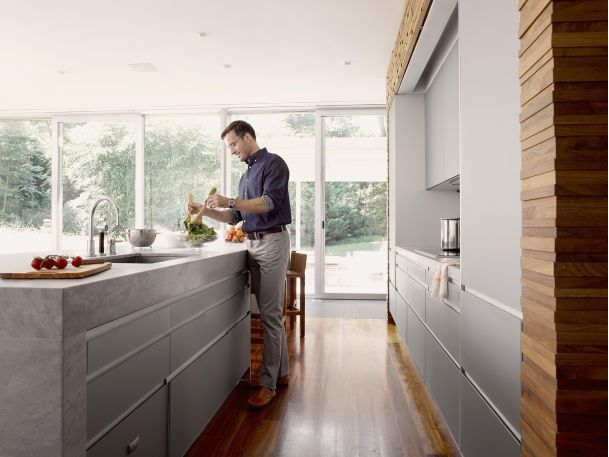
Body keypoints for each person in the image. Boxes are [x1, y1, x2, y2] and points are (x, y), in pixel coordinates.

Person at [190, 120, 292, 408]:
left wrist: (231, 200)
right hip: (252, 243)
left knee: (270, 315)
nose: (232, 151)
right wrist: (205, 210)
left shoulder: (274, 164)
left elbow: (269, 204)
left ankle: (267, 385)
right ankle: (281, 373)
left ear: (247, 137)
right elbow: (235, 219)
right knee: (268, 312)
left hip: (272, 243)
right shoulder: (246, 176)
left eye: (234, 144)